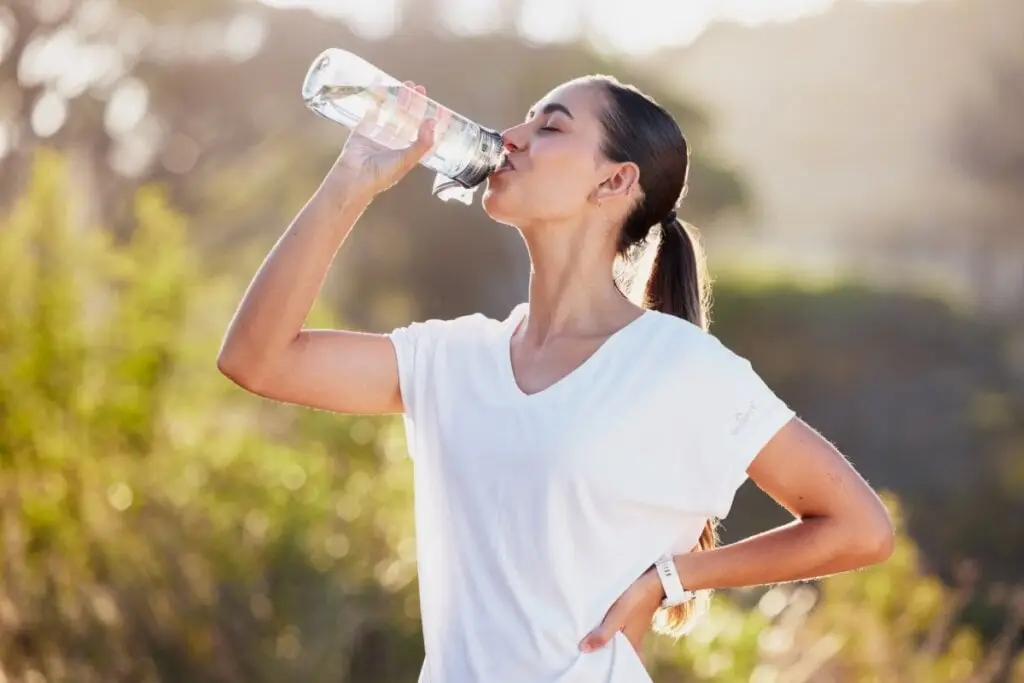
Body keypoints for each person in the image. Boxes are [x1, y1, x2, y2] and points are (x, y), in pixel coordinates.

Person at [217, 74, 894, 683]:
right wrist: (350, 179)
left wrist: (676, 575)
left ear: (613, 182)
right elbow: (257, 358)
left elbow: (859, 526)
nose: (511, 139)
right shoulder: (453, 358)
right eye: (524, 121)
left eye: (551, 127)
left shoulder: (678, 366)